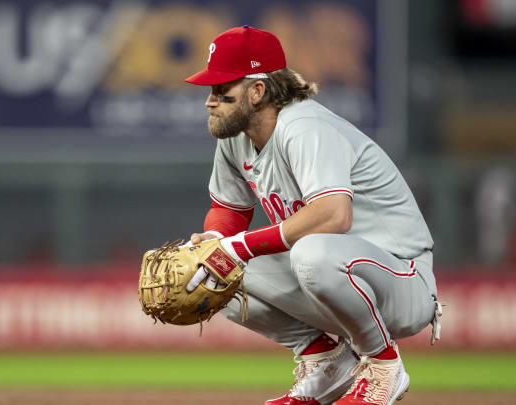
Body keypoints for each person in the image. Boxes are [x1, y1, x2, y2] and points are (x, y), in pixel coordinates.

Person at [183, 26, 441, 405]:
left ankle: (384, 366)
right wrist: (218, 244)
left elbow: (334, 216)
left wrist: (236, 248)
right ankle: (325, 361)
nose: (211, 100)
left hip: (401, 280)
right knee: (209, 270)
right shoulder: (235, 137)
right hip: (335, 281)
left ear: (258, 91)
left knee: (310, 252)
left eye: (223, 91)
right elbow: (229, 209)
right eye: (211, 90)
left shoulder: (304, 126)